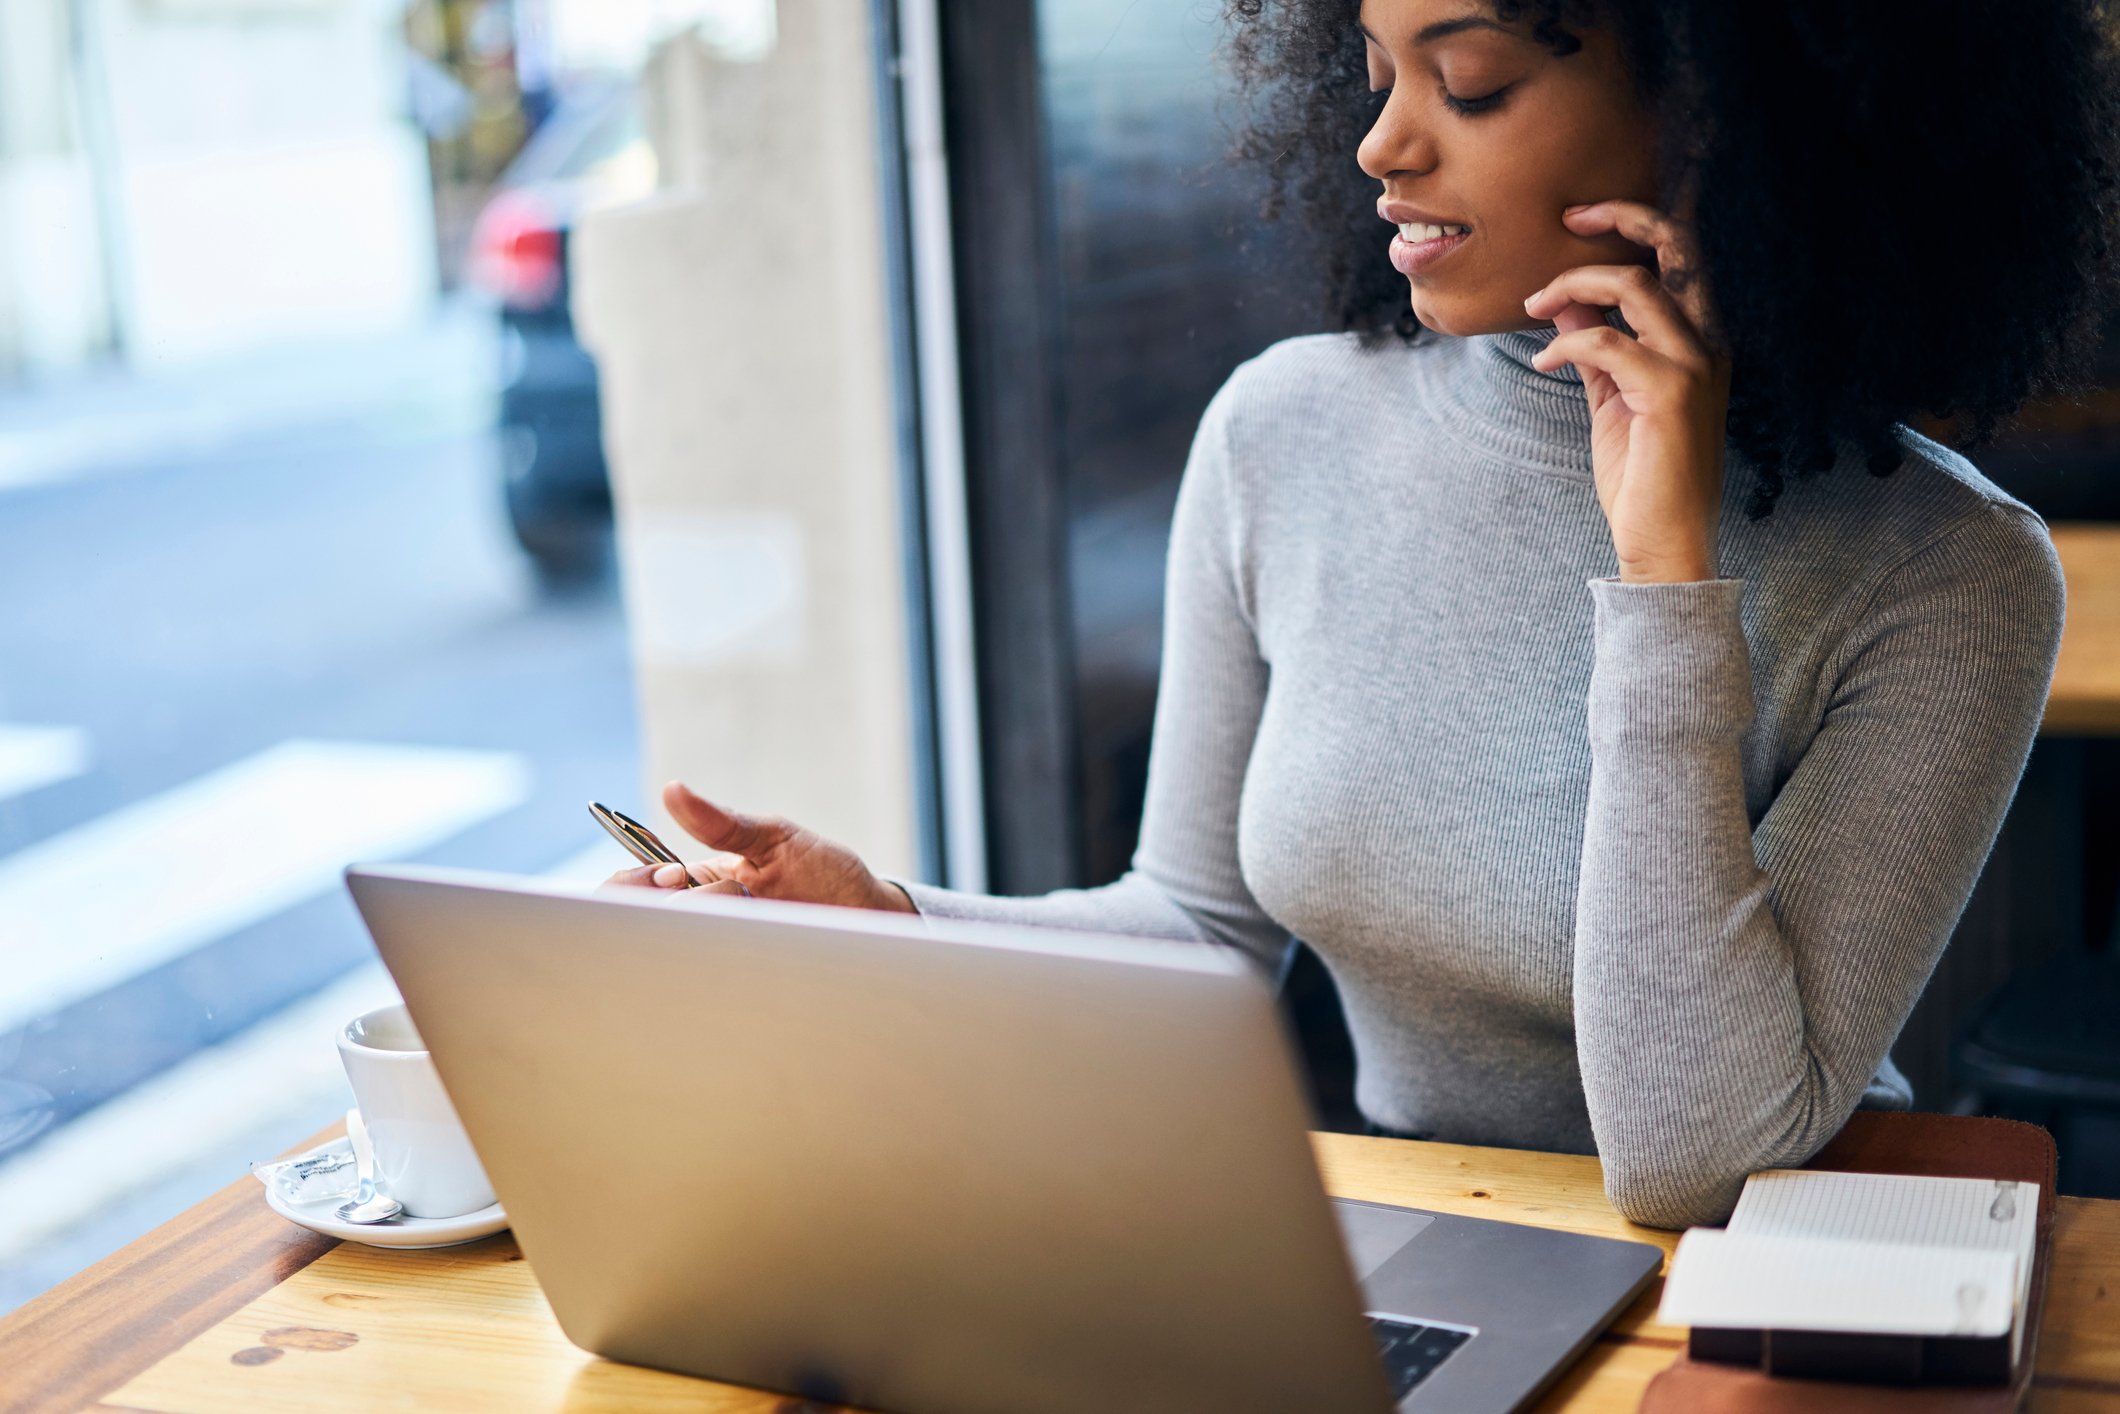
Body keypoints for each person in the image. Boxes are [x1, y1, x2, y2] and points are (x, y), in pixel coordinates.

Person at [605, 0, 2120, 1228]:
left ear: (1727, 117)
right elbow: (1199, 931)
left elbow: (1694, 1158)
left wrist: (1664, 576)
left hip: (1751, 1316)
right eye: (1373, 66)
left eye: (1467, 83)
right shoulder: (1283, 433)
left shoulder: (1951, 574)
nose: (1379, 144)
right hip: (1417, 1243)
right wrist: (890, 922)